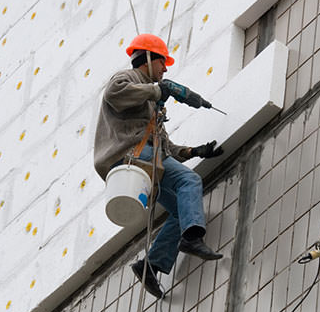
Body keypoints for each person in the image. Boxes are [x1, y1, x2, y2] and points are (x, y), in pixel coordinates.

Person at [94, 34, 224, 298]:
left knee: (179, 211)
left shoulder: (151, 101)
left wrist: (193, 151)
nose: (165, 70)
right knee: (190, 182)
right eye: (163, 63)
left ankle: (150, 266)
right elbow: (114, 92)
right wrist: (158, 90)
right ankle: (192, 238)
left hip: (146, 161)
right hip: (132, 156)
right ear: (149, 58)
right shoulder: (128, 79)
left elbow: (163, 145)